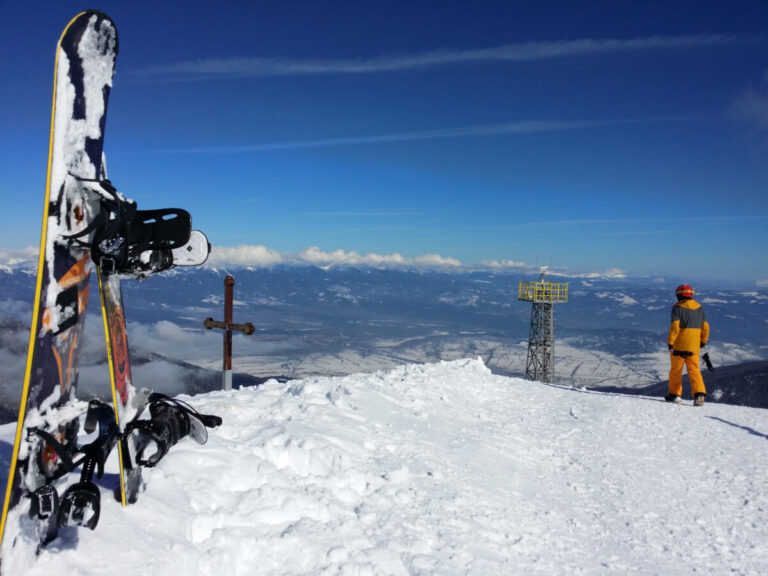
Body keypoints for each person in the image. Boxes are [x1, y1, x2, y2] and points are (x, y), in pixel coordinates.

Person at [666, 284, 710, 406]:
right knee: (694, 371)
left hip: (679, 346)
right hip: (694, 346)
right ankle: (699, 395)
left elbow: (675, 327)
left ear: (679, 295)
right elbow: (705, 327)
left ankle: (674, 395)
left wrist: (671, 343)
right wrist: (703, 341)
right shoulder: (700, 309)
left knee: (676, 371)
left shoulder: (677, 308)